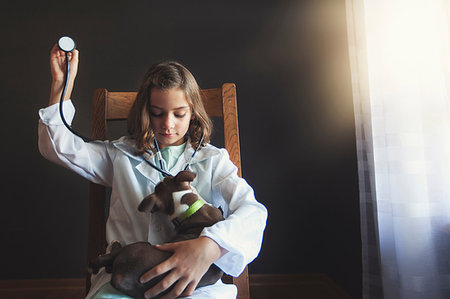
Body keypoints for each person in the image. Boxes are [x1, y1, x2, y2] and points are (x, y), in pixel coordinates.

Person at [38, 44, 267, 299]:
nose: (168, 124)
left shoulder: (212, 160)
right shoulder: (120, 155)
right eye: (157, 114)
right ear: (145, 112)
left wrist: (210, 246)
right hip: (127, 278)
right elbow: (56, 147)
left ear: (192, 112)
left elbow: (253, 213)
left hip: (194, 281)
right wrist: (61, 85)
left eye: (179, 114)